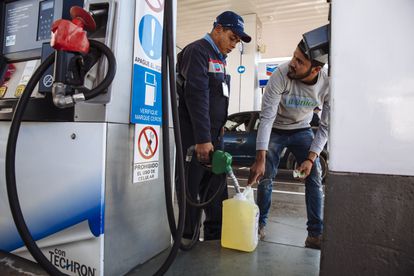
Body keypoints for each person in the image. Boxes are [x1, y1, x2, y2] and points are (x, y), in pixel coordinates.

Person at [248, 33, 329, 249]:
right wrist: (260, 157)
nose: (292, 63)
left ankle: (315, 234)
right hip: (275, 128)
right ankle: (259, 225)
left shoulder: (328, 84)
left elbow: (326, 126)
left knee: (314, 176)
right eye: (294, 57)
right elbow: (266, 118)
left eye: (300, 61)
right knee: (265, 177)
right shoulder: (280, 75)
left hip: (302, 129)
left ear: (315, 69)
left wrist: (311, 159)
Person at [176, 11, 251, 241]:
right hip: (197, 139)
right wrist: (202, 140)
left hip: (214, 138)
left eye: (237, 41)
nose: (234, 44)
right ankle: (187, 239)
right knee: (191, 191)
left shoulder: (219, 58)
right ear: (218, 28)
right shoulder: (197, 51)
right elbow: (197, 96)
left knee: (216, 192)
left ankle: (214, 238)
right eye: (232, 37)